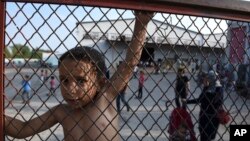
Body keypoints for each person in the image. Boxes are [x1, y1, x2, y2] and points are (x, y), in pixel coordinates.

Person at [5, 11, 154, 141]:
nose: (70, 89)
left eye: (81, 80)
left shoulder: (105, 98)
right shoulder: (61, 112)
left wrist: (141, 24)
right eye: (64, 80)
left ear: (100, 83)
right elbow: (23, 129)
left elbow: (129, 63)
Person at [187, 70, 223, 141]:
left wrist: (206, 89)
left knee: (207, 137)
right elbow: (200, 99)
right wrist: (187, 102)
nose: (206, 79)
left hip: (210, 118)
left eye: (208, 78)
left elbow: (207, 100)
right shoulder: (210, 88)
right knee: (205, 137)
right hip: (207, 117)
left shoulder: (218, 89)